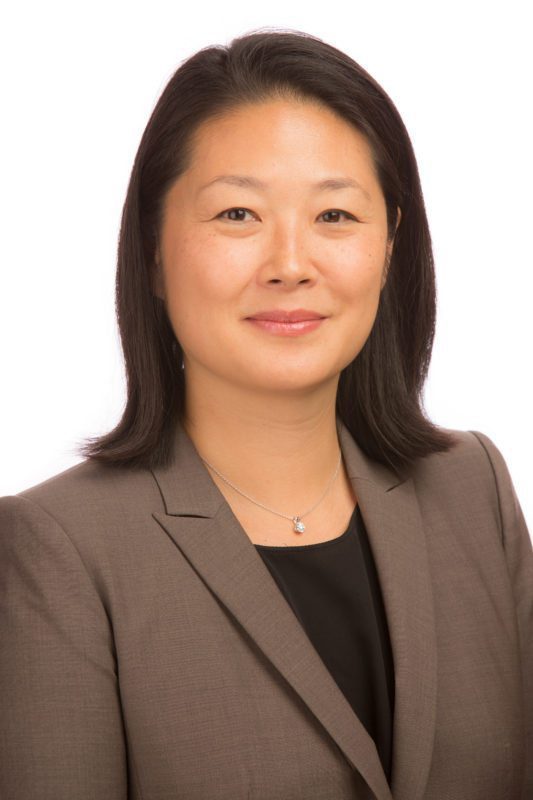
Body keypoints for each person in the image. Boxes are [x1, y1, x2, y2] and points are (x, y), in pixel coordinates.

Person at [0, 28, 531, 800]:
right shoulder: (59, 551)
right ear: (152, 251)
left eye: (335, 216)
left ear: (390, 247)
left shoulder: (471, 491)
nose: (289, 264)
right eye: (238, 214)